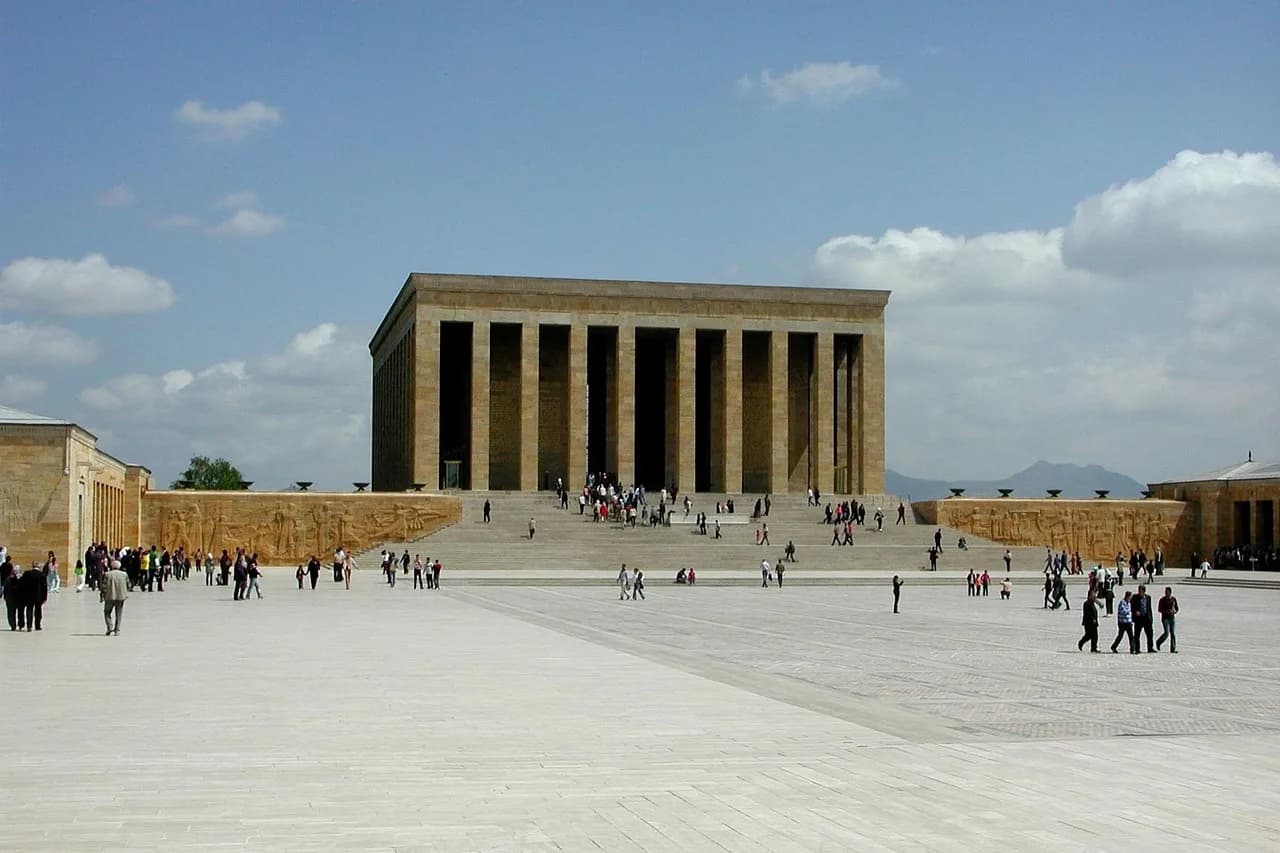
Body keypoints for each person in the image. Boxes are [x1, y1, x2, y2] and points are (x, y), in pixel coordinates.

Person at [101, 559, 129, 635]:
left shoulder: (107, 574)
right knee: (119, 614)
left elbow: (104, 586)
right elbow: (128, 585)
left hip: (110, 596)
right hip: (121, 597)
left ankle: (110, 627)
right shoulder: (124, 574)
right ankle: (117, 630)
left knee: (107, 612)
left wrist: (102, 595)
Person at [21, 560, 47, 630]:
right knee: (38, 611)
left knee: (29, 610)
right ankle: (37, 626)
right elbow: (44, 587)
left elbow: (22, 585)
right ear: (38, 566)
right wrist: (45, 598)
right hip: (39, 596)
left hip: (29, 596)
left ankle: (29, 626)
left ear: (32, 566)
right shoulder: (42, 575)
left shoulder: (27, 573)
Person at [1131, 584, 1155, 653]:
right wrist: (1135, 611)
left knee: (1150, 634)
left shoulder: (1148, 597)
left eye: (1140, 591)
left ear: (1144, 591)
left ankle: (1150, 648)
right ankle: (1137, 649)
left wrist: (1151, 618)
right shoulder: (1135, 597)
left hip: (1147, 618)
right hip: (1139, 619)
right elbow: (1132, 607)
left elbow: (1149, 608)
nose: (1139, 592)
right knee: (1137, 635)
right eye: (1139, 590)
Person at [1156, 586, 1179, 653]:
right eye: (1165, 592)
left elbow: (1177, 608)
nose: (1166, 593)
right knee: (1166, 633)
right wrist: (1166, 611)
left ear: (1170, 592)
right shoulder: (1162, 600)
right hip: (1165, 618)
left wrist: (1174, 611)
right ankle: (1159, 642)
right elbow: (1159, 609)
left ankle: (1173, 648)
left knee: (1173, 633)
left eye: (1167, 592)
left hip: (1172, 618)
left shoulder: (1173, 599)